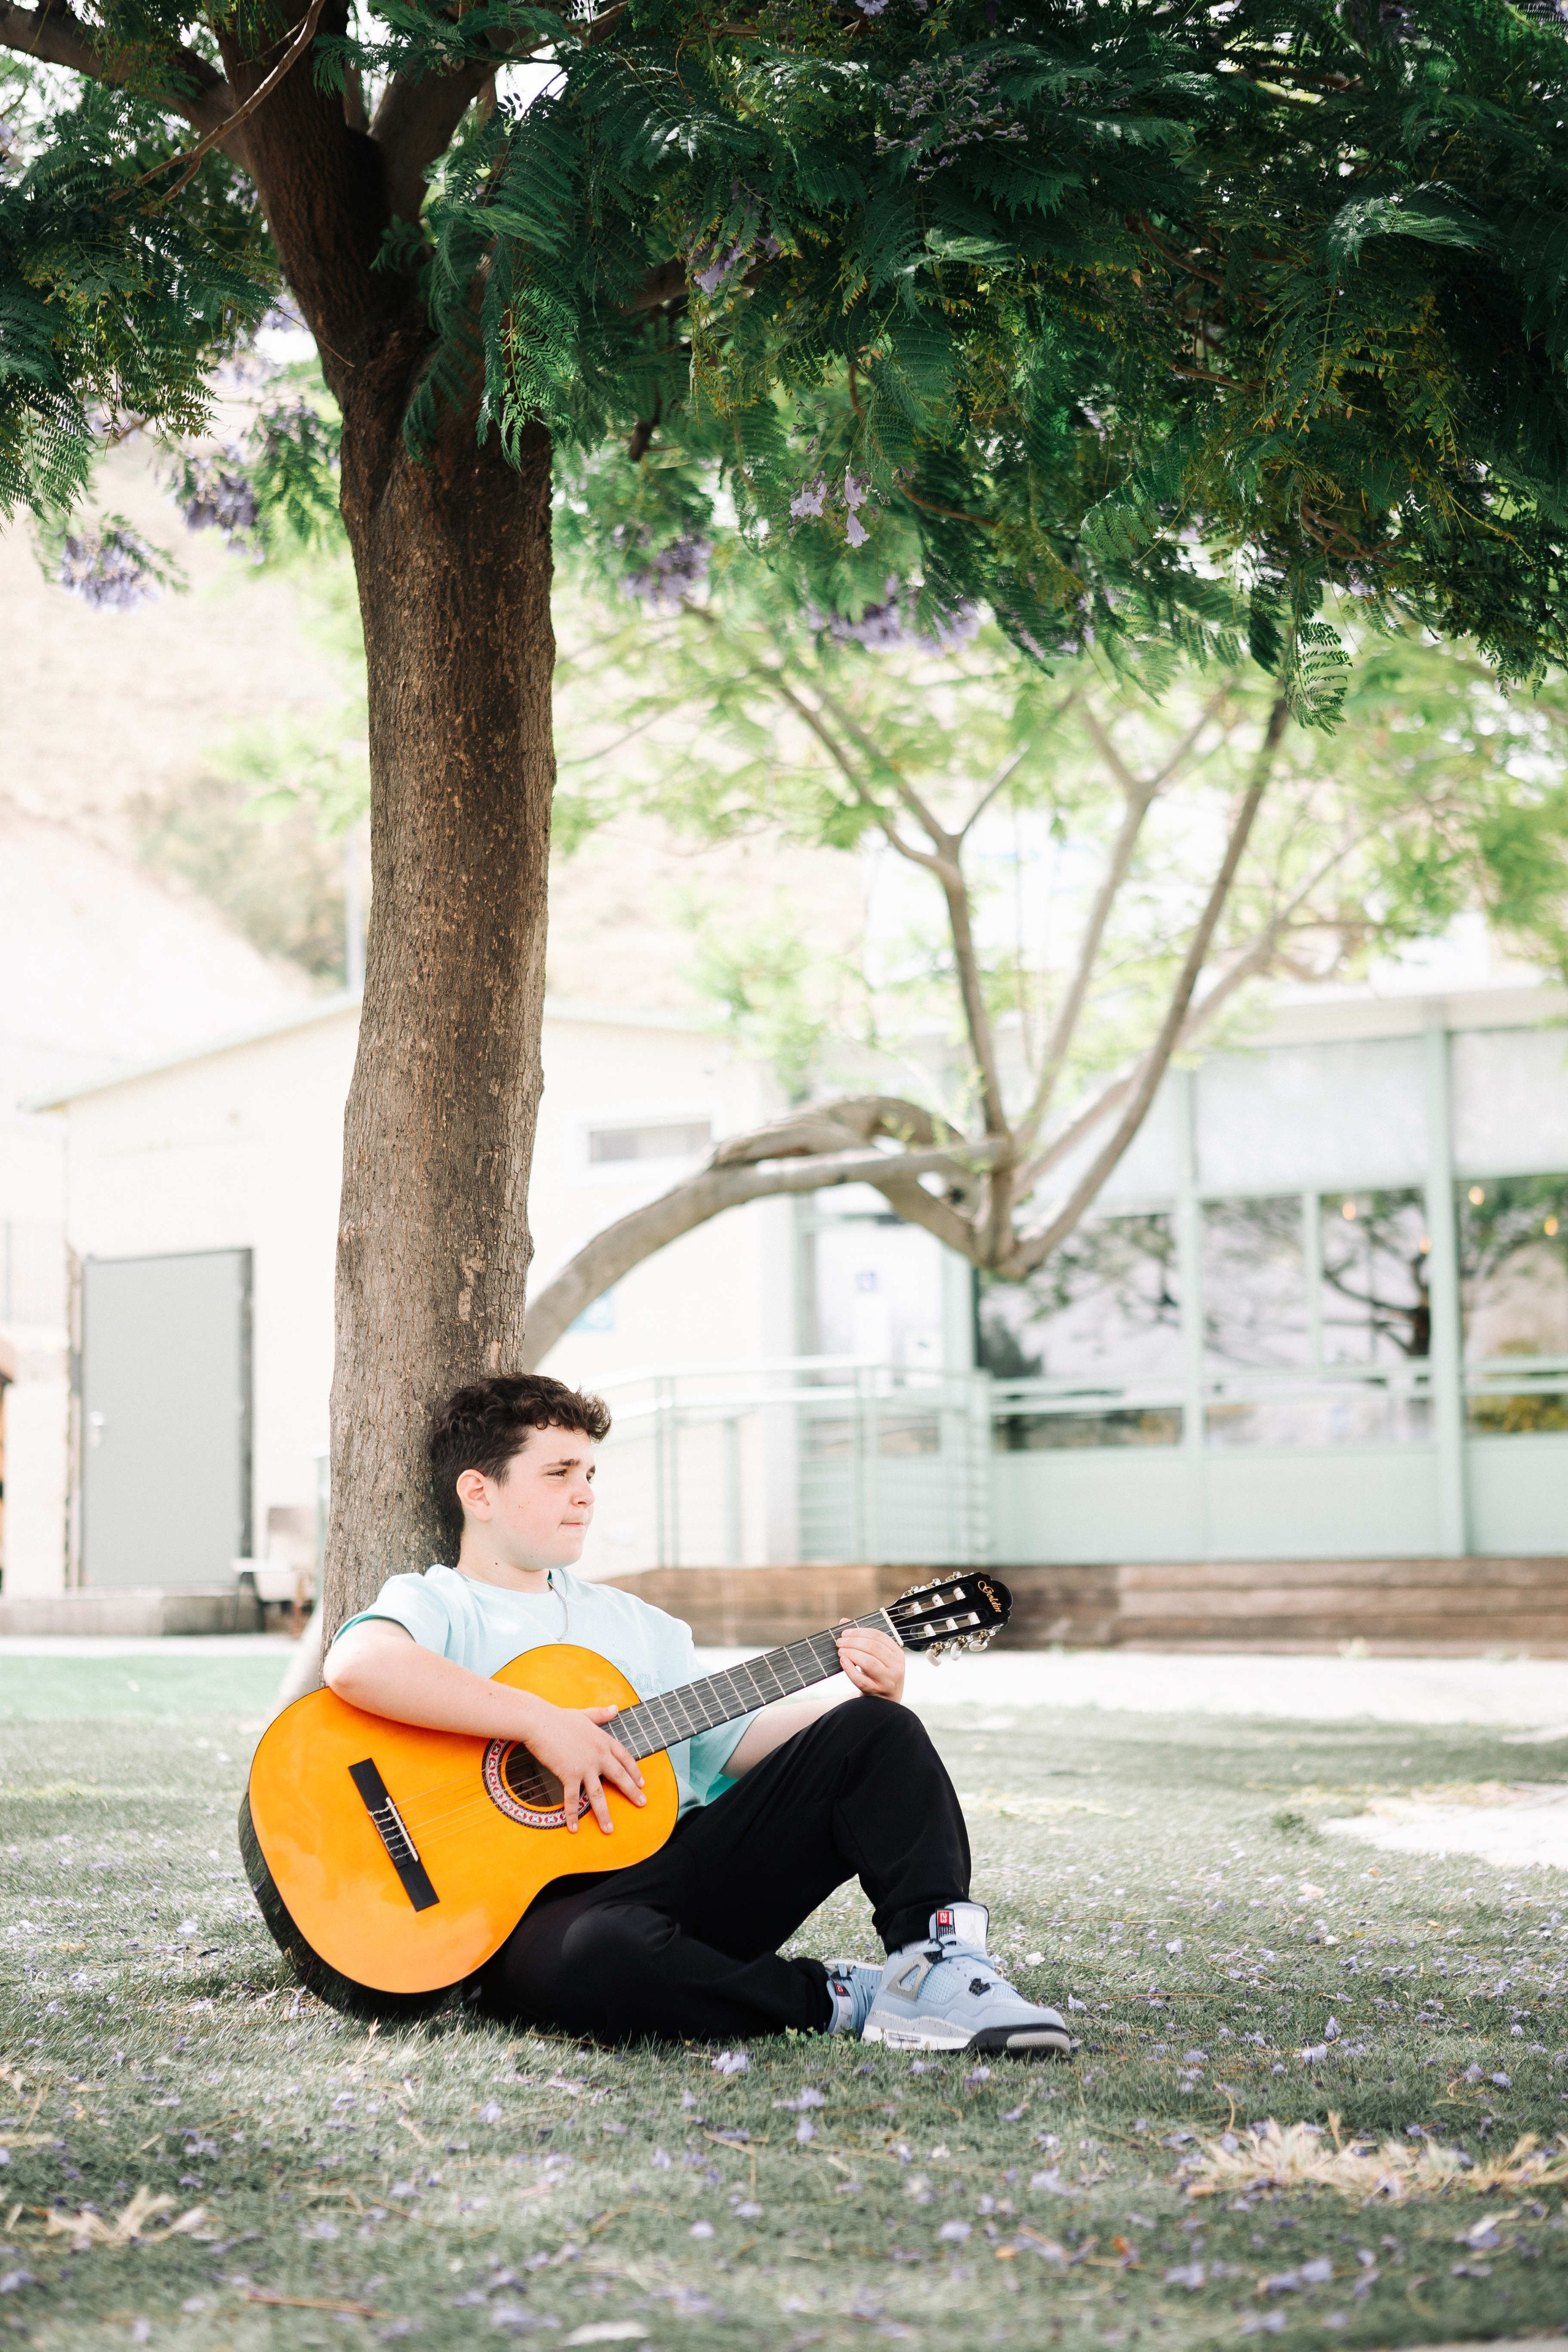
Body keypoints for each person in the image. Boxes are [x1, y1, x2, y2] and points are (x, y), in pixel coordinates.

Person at [323, 1372, 1069, 2057]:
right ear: (478, 1492)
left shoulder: (638, 1625)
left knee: (875, 1732)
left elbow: (737, 1741)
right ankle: (837, 2000)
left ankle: (934, 1967)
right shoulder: (441, 1601)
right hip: (519, 1919)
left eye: (589, 1474)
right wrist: (538, 1722)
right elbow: (359, 1666)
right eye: (557, 1474)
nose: (584, 1494)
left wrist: (861, 1692)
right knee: (598, 1960)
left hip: (673, 1878)